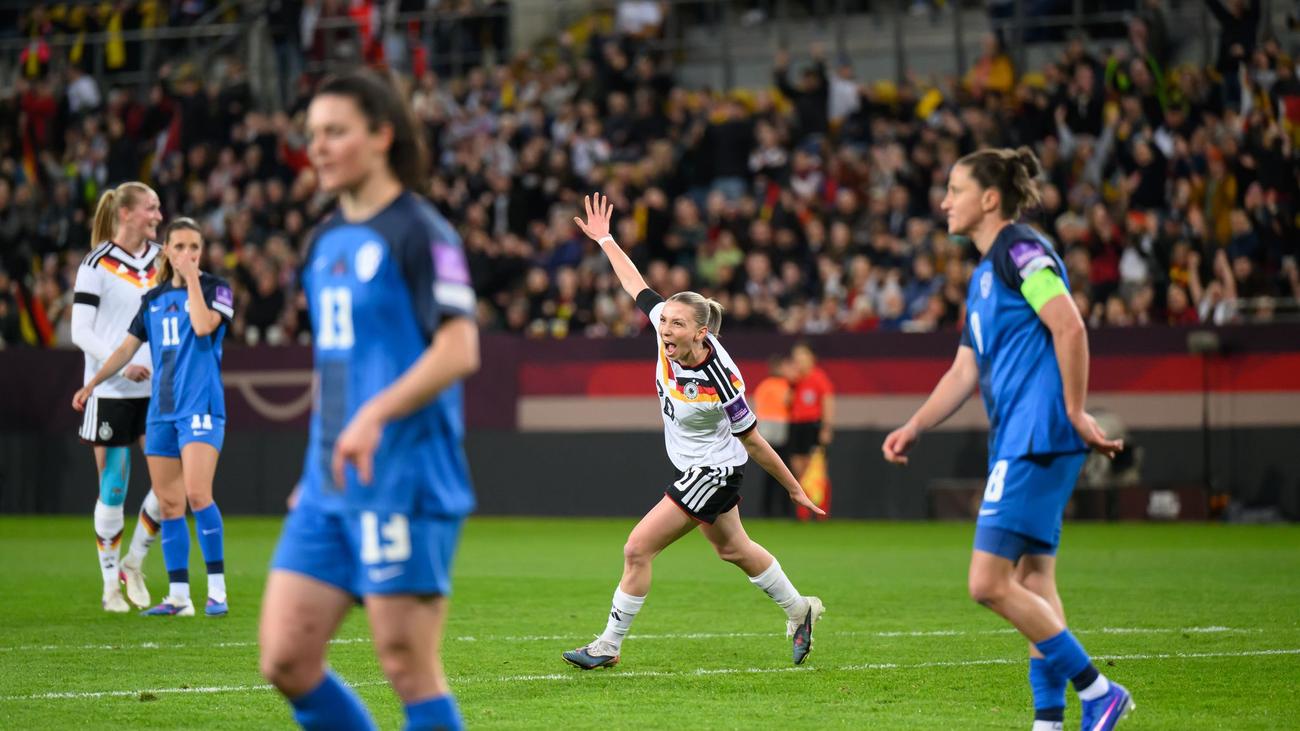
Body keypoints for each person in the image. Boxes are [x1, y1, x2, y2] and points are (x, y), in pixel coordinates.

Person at [257, 69, 480, 731]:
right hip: (330, 479)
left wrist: (375, 415)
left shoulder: (423, 233)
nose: (318, 147)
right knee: (287, 657)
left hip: (404, 477)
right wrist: (318, 461)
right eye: (313, 134)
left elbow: (459, 349)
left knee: (406, 664)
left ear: (382, 136)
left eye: (336, 132)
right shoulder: (323, 241)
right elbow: (335, 369)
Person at [882, 147, 1133, 731]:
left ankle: (1099, 692)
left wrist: (1074, 410)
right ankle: (1049, 722)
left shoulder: (1020, 250)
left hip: (1037, 435)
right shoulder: (982, 276)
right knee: (1033, 580)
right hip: (1022, 437)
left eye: (955, 189)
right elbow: (963, 371)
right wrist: (915, 425)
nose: (944, 202)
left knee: (987, 582)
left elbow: (1069, 324)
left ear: (990, 198)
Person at [562, 193, 826, 671]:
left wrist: (794, 488)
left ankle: (608, 645)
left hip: (714, 472)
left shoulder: (721, 379)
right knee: (733, 548)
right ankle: (799, 609)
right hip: (696, 467)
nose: (665, 329)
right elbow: (635, 284)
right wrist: (605, 240)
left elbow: (754, 441)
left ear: (701, 333)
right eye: (664, 320)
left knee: (637, 548)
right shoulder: (665, 332)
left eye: (677, 324)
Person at [75, 217, 235, 618]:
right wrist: (93, 383)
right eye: (179, 247)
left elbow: (202, 326)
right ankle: (179, 597)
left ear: (202, 252)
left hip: (201, 406)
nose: (187, 254)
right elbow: (125, 350)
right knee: (170, 502)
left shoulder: (217, 289)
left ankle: (217, 590)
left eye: (194, 247)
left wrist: (192, 278)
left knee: (198, 494)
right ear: (167, 251)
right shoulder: (154, 300)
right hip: (161, 411)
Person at [70, 182, 165, 613]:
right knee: (114, 484)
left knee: (171, 486)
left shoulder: (163, 259)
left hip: (158, 389)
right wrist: (121, 364)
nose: (158, 216)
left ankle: (134, 562)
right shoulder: (96, 264)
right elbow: (80, 331)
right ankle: (110, 586)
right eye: (151, 208)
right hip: (111, 389)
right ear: (126, 213)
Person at [752, 353, 794, 518]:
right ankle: (781, 510)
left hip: (767, 431)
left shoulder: (765, 385)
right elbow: (787, 402)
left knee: (771, 473)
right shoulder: (781, 385)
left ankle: (769, 510)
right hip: (777, 431)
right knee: (781, 471)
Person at [787, 341, 834, 486]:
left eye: (802, 354)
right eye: (796, 355)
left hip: (813, 425)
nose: (798, 358)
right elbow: (786, 402)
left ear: (811, 357)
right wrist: (790, 383)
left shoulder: (819, 377)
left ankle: (816, 497)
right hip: (796, 424)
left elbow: (828, 402)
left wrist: (826, 428)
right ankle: (802, 495)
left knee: (814, 466)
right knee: (795, 463)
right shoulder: (793, 379)